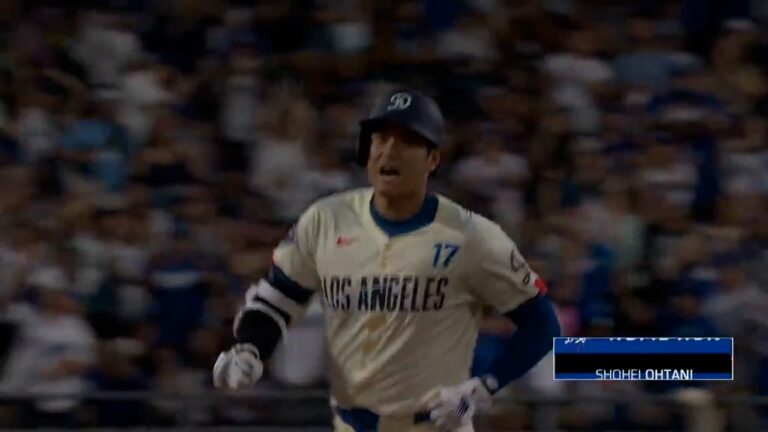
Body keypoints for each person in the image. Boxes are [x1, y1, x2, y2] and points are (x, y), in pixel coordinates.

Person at [213, 89, 561, 432]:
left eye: (407, 141)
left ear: (432, 159)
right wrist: (250, 350)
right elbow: (276, 300)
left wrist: (483, 388)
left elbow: (542, 325)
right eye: (380, 139)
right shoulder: (324, 220)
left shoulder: (473, 235)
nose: (389, 151)